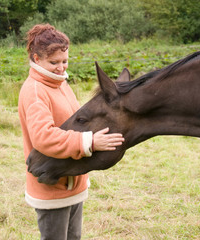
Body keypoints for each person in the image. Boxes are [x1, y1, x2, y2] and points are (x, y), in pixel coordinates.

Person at [18, 23, 124, 240]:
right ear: (36, 59)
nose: (61, 68)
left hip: (72, 181)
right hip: (52, 184)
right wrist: (90, 142)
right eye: (54, 62)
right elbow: (43, 137)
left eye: (64, 61)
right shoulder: (36, 91)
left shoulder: (59, 84)